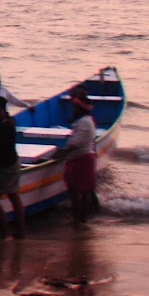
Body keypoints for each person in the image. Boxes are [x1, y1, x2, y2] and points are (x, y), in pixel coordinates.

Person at [0, 95, 26, 239]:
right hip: (12, 163)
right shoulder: (7, 123)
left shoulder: (4, 127)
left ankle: (6, 231)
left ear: (3, 111)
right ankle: (20, 232)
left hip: (5, 167)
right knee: (14, 196)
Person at [62, 94, 98, 223]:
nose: (73, 110)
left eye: (75, 108)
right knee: (83, 191)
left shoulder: (83, 122)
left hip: (81, 160)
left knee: (76, 191)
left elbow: (75, 143)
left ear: (81, 109)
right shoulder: (88, 120)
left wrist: (62, 153)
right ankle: (81, 218)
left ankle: (78, 218)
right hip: (85, 158)